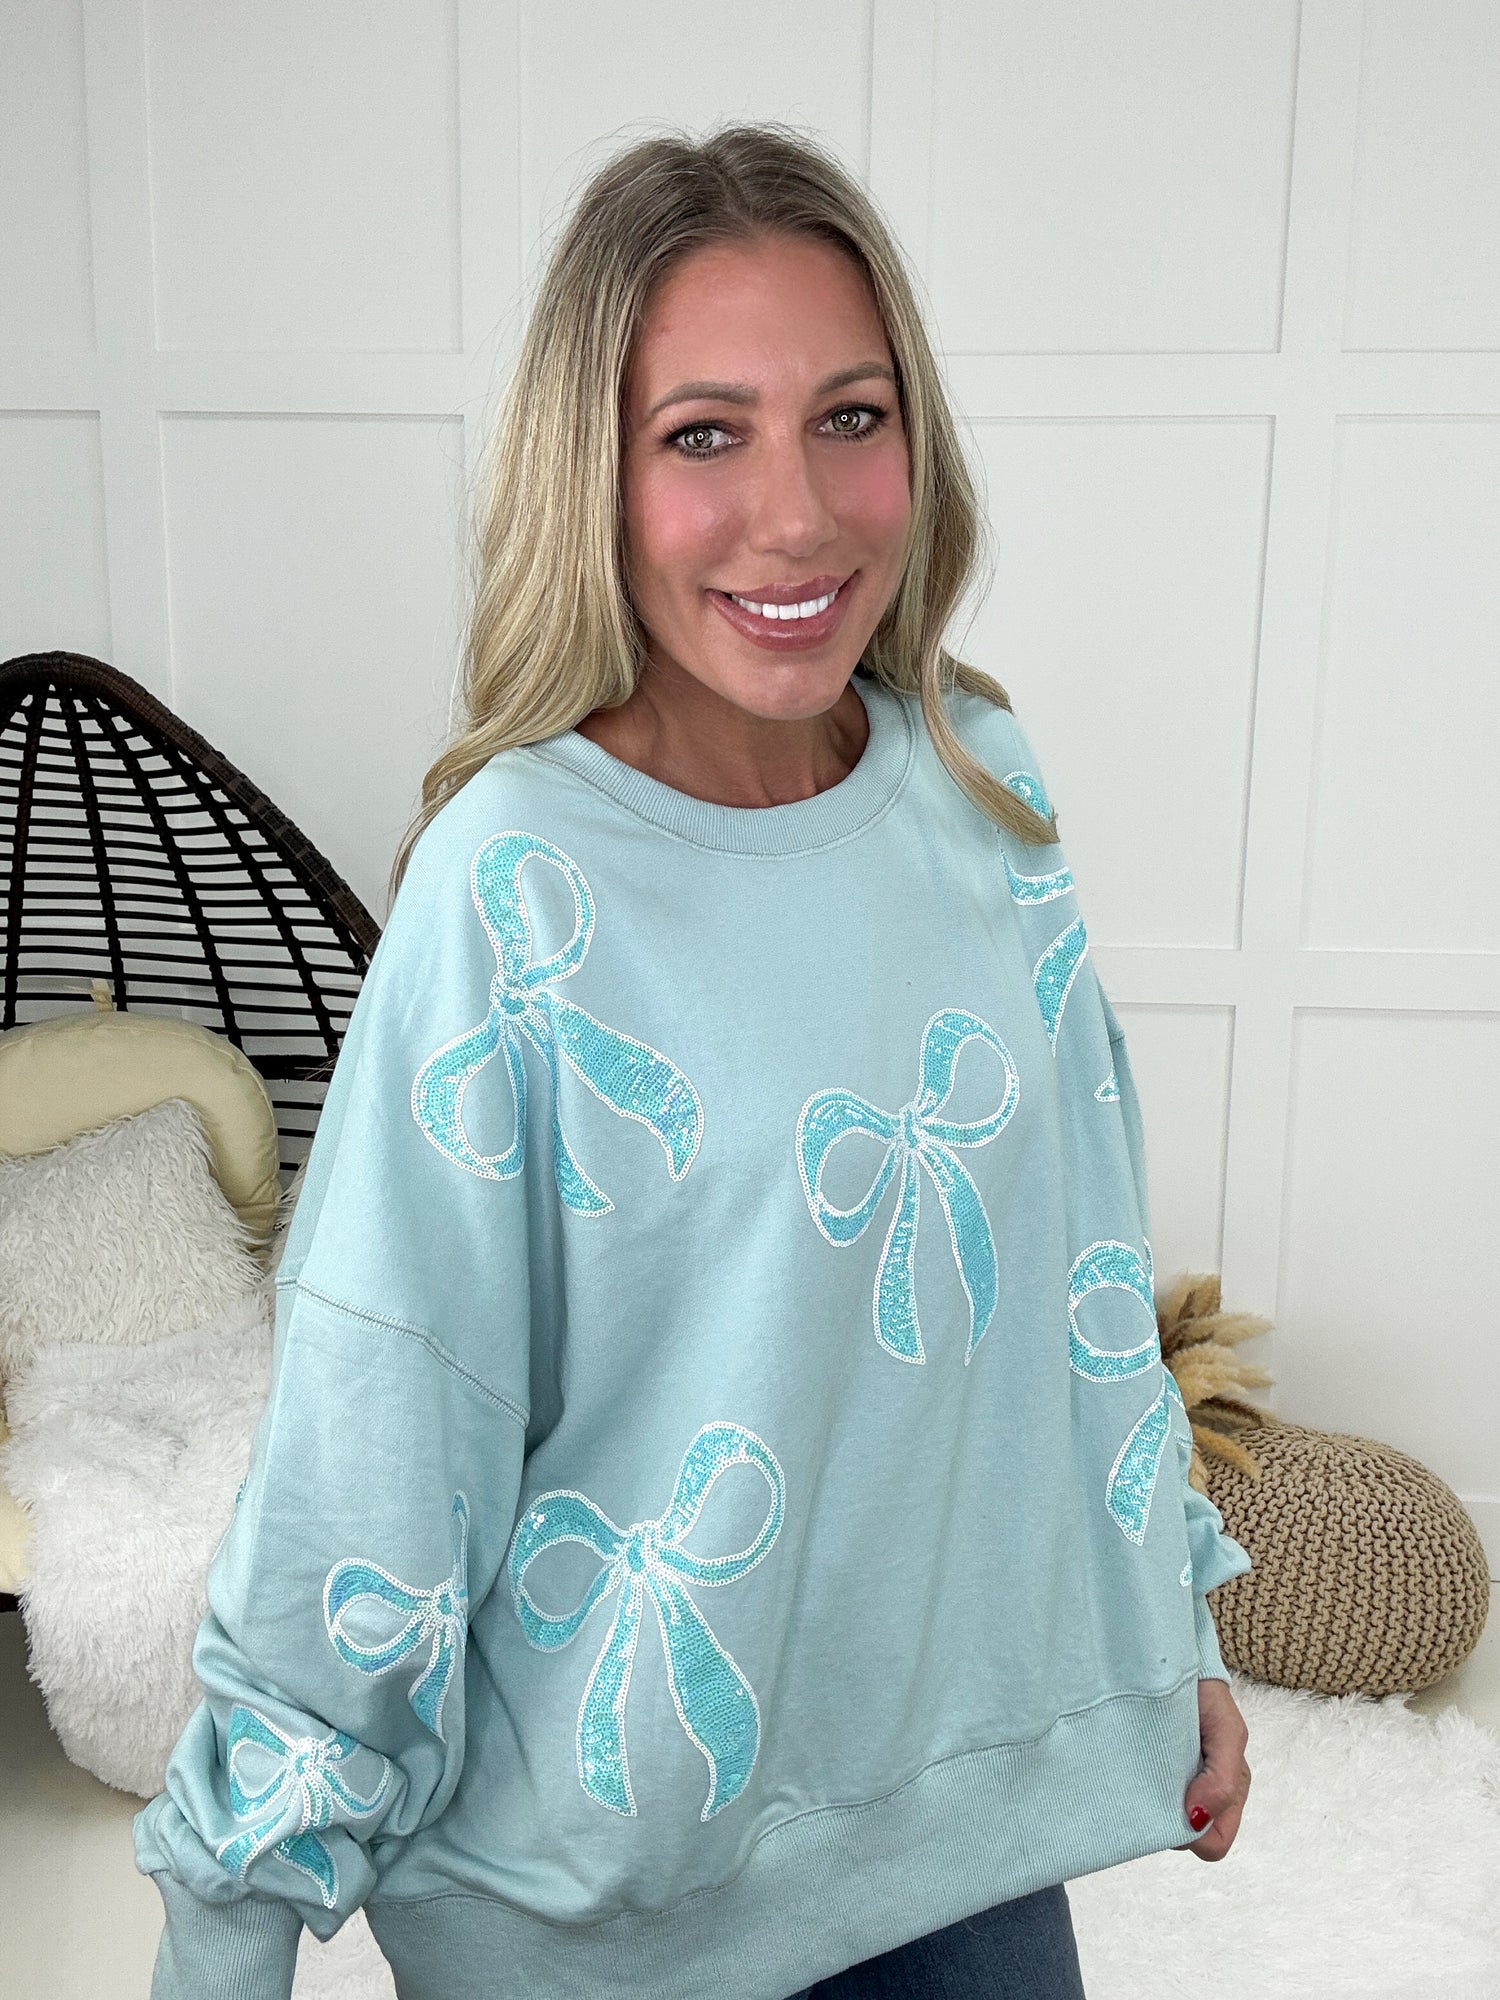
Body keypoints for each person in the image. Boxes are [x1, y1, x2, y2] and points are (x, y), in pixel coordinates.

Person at [133, 121, 1253, 2000]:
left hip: (954, 1845)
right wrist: (230, 1926)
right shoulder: (514, 886)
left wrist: (1168, 1628)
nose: (796, 517)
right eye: (704, 436)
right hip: (605, 1906)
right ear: (595, 475)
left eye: (849, 418)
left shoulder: (980, 783)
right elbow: (378, 1441)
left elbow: (1077, 1277)